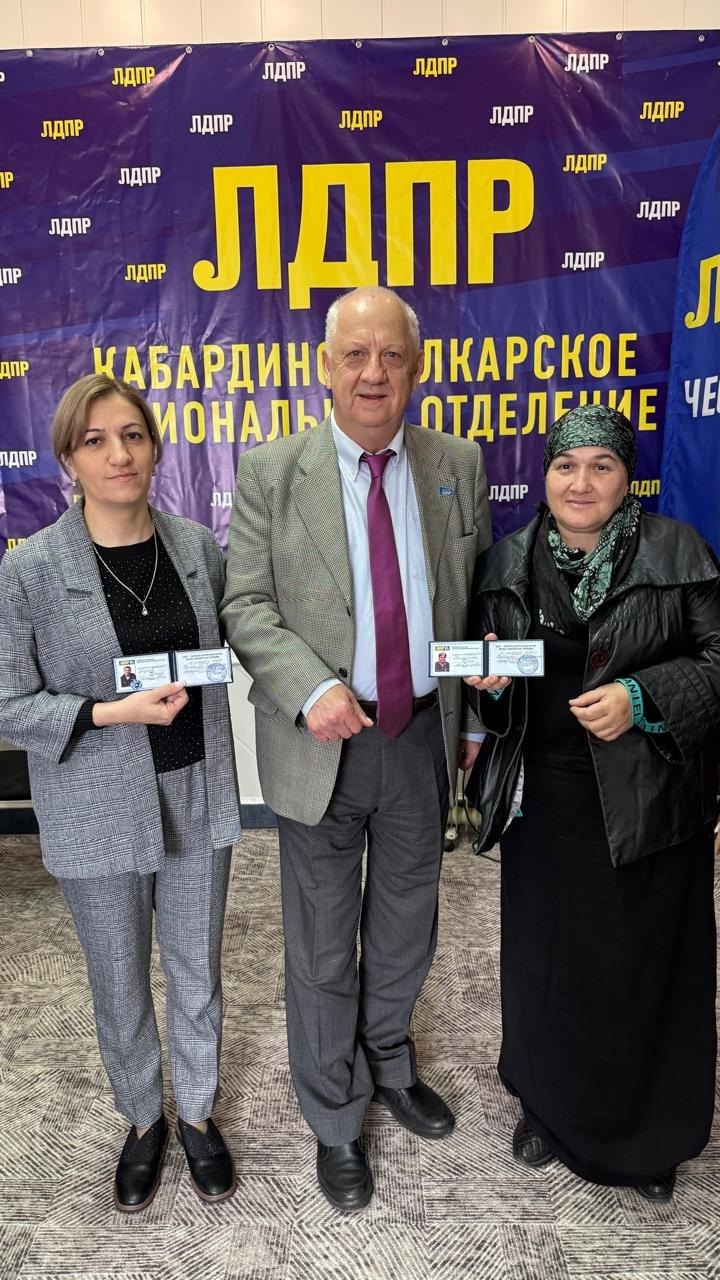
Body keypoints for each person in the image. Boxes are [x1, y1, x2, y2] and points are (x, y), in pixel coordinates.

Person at [222, 286, 493, 1210]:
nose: (374, 373)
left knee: (408, 926)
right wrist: (310, 687)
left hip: (419, 735)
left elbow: (474, 599)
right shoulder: (270, 472)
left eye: (392, 356)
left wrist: (475, 710)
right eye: (356, 355)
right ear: (325, 367)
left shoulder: (457, 463)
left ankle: (389, 1062)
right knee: (322, 941)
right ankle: (335, 1116)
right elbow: (245, 605)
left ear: (416, 368)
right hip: (319, 744)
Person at [465, 403, 720, 1201]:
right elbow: (493, 693)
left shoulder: (678, 550)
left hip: (652, 800)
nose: (581, 482)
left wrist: (642, 697)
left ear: (626, 476)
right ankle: (545, 1107)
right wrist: (490, 688)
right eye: (566, 465)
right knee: (546, 961)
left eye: (600, 465)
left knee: (643, 967)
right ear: (545, 474)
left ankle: (648, 1142)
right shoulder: (505, 563)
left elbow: (718, 660)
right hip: (545, 805)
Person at [0, 375, 241, 1212]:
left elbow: (243, 638)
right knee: (119, 977)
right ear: (69, 458)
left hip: (196, 786)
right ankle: (143, 1120)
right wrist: (109, 711)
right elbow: (7, 702)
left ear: (155, 448)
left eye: (133, 435)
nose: (119, 454)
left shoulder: (197, 547)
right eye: (96, 440)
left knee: (196, 969)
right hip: (95, 803)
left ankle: (198, 1114)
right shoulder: (30, 569)